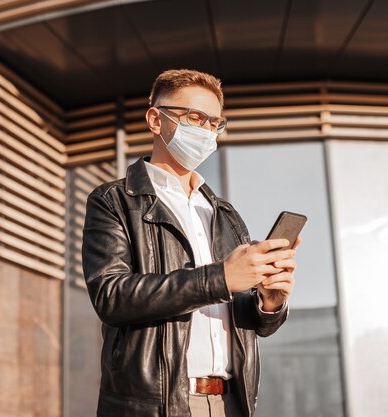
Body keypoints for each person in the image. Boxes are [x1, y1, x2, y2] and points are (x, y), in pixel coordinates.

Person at [82, 69, 301, 417]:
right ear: (156, 119)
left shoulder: (224, 213)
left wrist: (269, 304)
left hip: (231, 402)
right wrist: (221, 278)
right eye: (194, 118)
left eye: (215, 123)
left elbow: (250, 324)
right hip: (157, 405)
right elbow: (111, 295)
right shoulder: (114, 201)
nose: (206, 131)